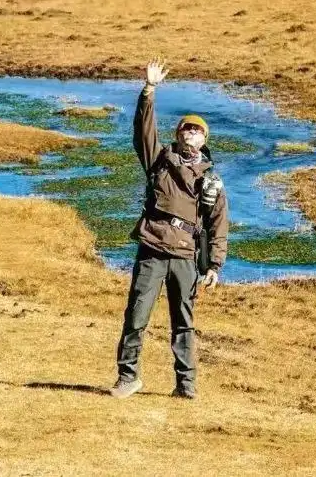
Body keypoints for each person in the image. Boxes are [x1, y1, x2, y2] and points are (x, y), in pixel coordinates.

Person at [111, 57, 229, 400]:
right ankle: (127, 377)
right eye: (184, 129)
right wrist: (149, 90)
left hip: (185, 256)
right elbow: (142, 131)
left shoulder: (212, 180)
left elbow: (219, 224)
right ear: (177, 136)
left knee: (183, 324)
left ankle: (186, 386)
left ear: (204, 139)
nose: (189, 133)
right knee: (136, 316)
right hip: (152, 248)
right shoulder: (159, 159)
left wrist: (214, 266)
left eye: (196, 130)